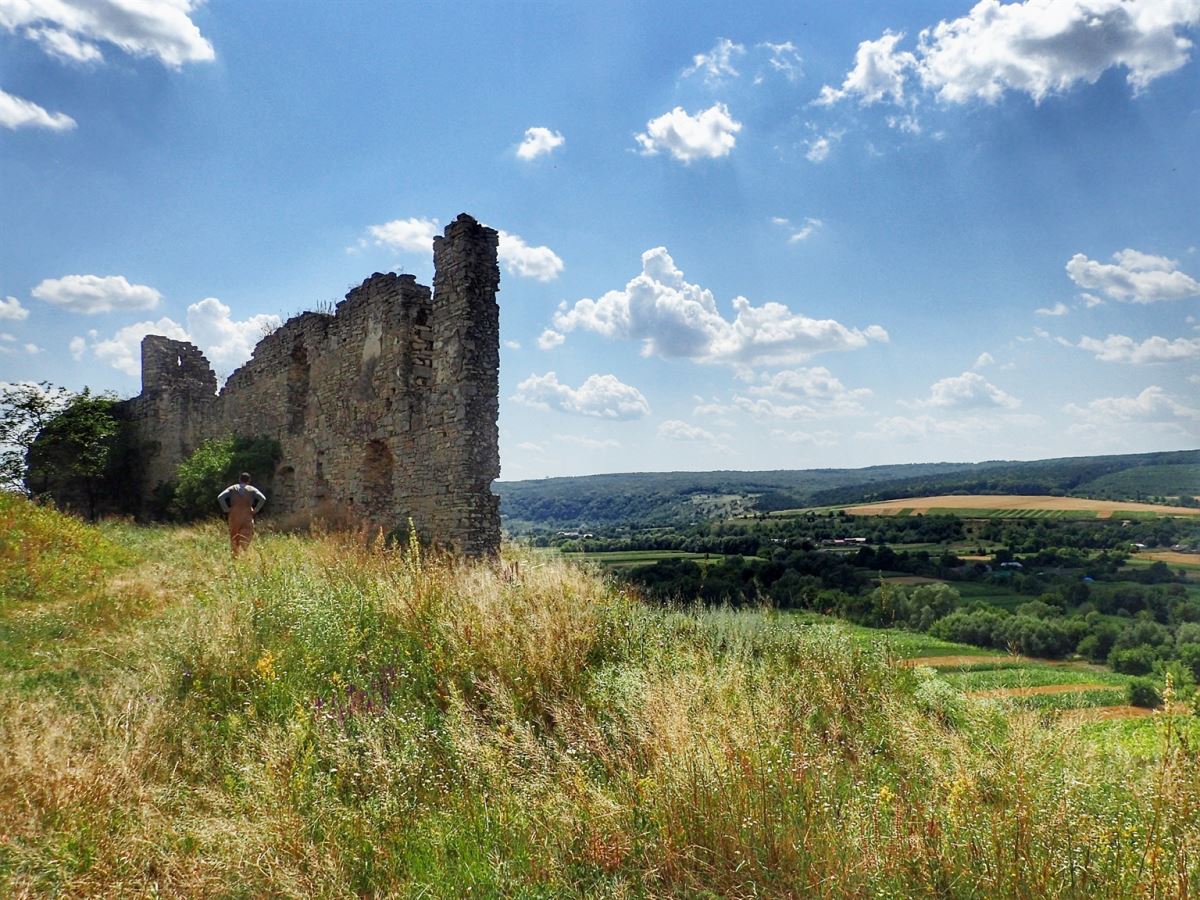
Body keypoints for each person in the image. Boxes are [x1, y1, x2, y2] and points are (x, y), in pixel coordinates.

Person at [217, 472, 266, 557]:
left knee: (234, 536)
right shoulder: (252, 489)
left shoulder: (232, 488)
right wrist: (256, 510)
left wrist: (227, 509)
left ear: (239, 479)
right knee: (247, 535)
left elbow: (220, 497)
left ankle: (235, 556)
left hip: (234, 515)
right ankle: (245, 555)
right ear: (249, 480)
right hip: (247, 515)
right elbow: (263, 498)